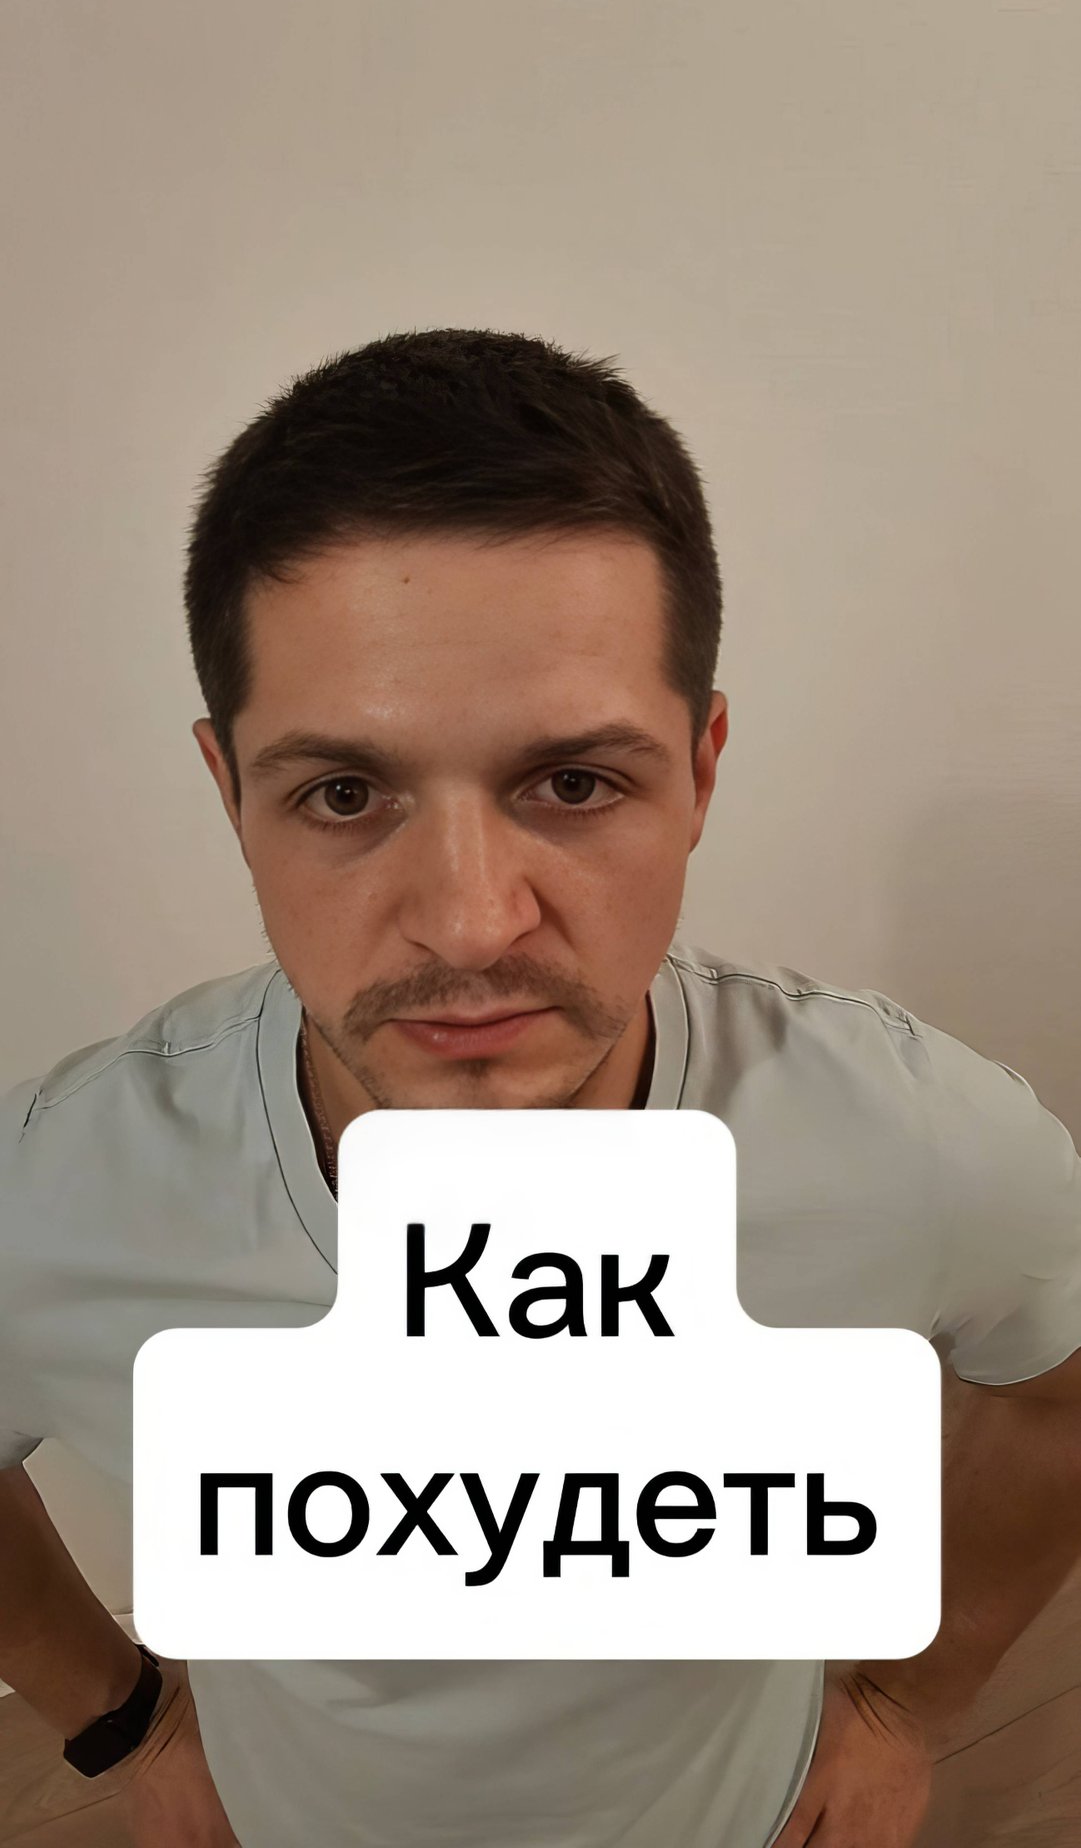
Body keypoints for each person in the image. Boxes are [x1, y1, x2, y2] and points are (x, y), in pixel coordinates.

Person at [1, 328, 1079, 1848]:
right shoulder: (59, 1192)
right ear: (229, 790)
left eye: (573, 783)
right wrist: (122, 1720)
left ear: (699, 770)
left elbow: (1055, 1395)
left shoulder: (916, 1146)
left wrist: (910, 1706)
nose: (468, 925)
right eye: (343, 793)